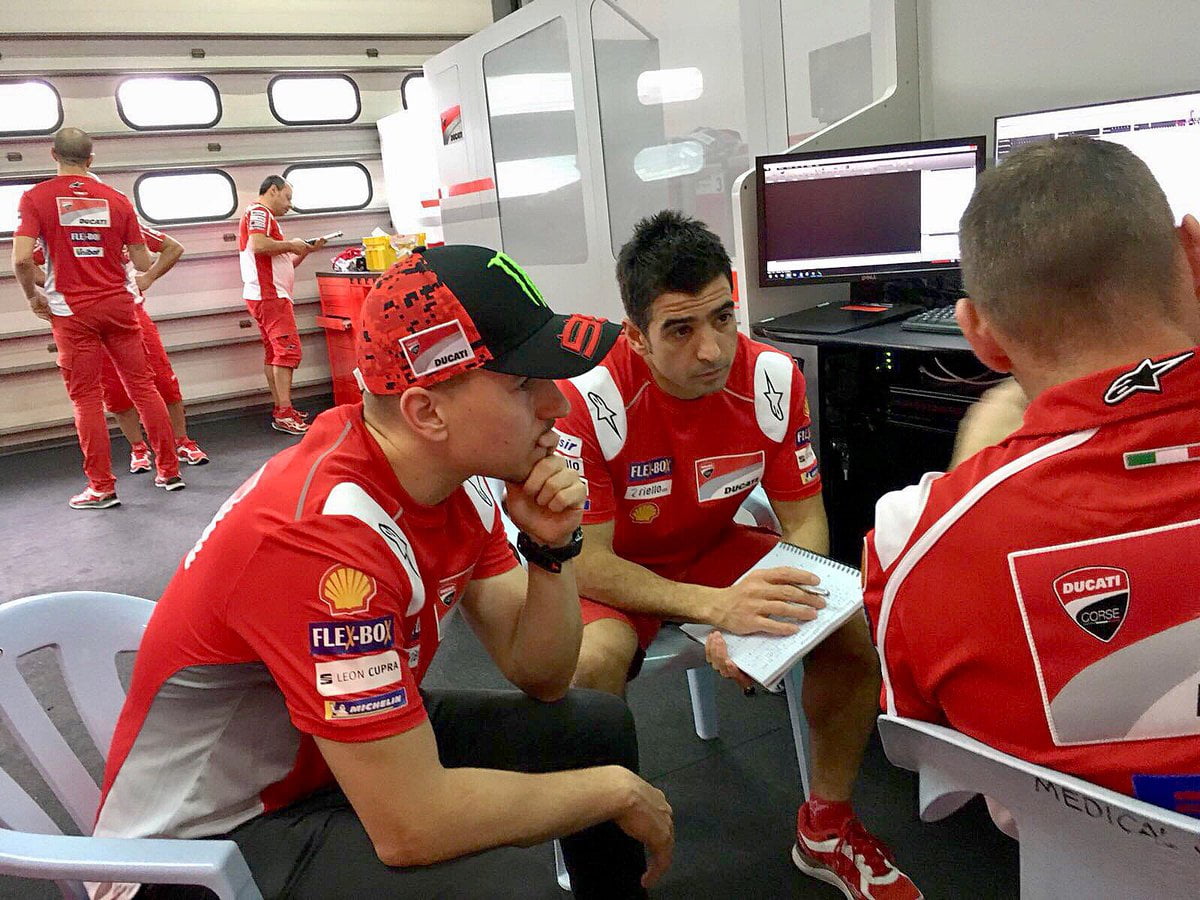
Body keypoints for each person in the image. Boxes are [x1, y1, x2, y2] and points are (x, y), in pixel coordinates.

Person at [92, 245, 673, 900]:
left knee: (593, 729)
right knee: (506, 886)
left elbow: (541, 676)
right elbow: (413, 826)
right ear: (427, 412)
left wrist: (550, 549)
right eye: (523, 384)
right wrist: (614, 792)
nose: (556, 405)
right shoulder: (322, 540)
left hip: (323, 764)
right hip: (197, 848)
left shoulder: (452, 476)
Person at [557, 211, 920, 899]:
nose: (712, 350)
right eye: (680, 329)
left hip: (712, 547)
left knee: (848, 627)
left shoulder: (773, 378)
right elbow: (586, 563)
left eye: (723, 317)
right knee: (588, 666)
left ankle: (826, 828)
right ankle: (603, 851)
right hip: (613, 570)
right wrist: (716, 609)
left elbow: (805, 519)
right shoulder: (589, 397)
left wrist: (762, 616)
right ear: (635, 335)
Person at [863, 137, 1200, 817]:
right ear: (1193, 253)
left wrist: (975, 475)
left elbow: (927, 739)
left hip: (1079, 860)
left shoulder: (911, 539)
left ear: (979, 335)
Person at [12, 127, 183, 507]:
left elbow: (22, 259)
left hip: (72, 313)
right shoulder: (118, 200)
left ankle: (102, 487)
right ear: (91, 159)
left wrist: (33, 297)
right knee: (143, 387)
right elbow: (143, 262)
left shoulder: (36, 197)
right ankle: (169, 471)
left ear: (53, 154)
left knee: (86, 399)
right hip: (120, 306)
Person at [33, 224, 210, 472]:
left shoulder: (123, 220)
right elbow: (26, 262)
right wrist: (57, 283)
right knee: (114, 390)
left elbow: (172, 248)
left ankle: (181, 442)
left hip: (129, 312)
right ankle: (138, 448)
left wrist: (148, 277)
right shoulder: (60, 228)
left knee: (162, 381)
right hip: (84, 318)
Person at [238, 174, 326, 435]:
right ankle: (285, 413)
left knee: (275, 353)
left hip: (267, 295)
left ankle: (282, 407)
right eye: (287, 198)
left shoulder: (264, 217)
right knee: (288, 353)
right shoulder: (259, 213)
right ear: (273, 191)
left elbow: (280, 262)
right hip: (270, 296)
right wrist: (291, 244)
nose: (290, 205)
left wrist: (303, 250)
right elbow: (259, 246)